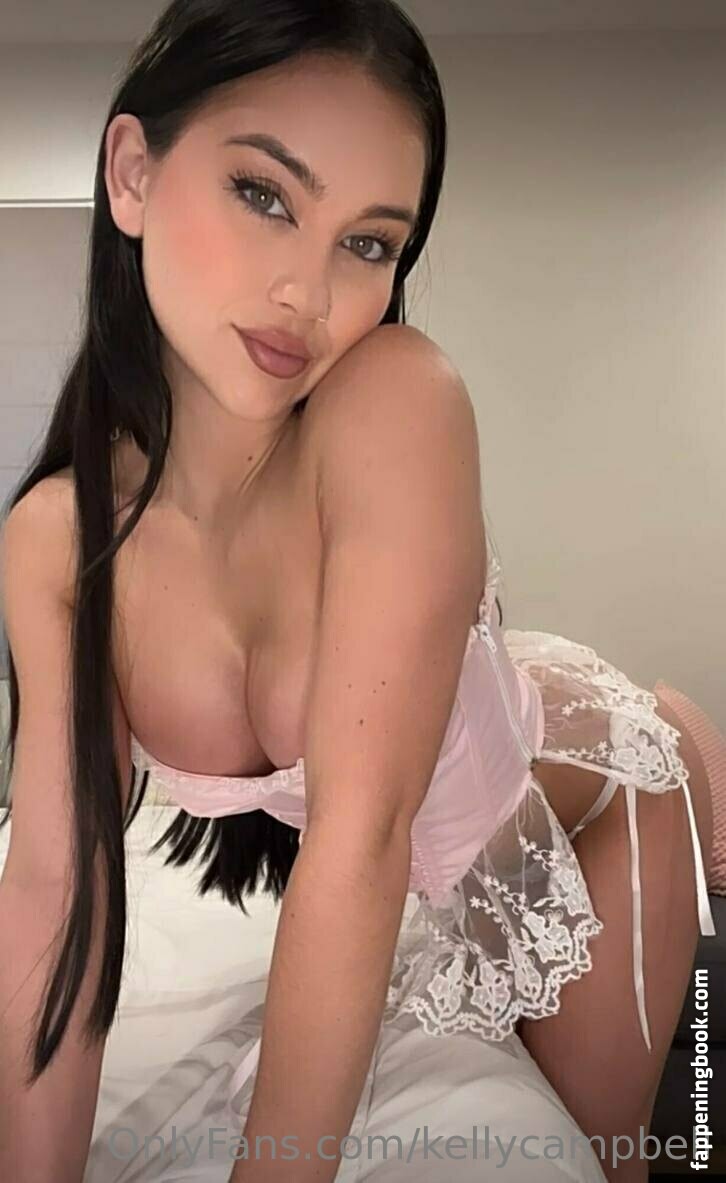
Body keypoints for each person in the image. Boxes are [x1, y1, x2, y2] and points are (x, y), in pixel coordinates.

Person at [0, 1, 715, 1181]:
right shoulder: (56, 544)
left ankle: (682, 733)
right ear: (132, 174)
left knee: (622, 1152)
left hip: (593, 807)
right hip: (444, 780)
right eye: (265, 194)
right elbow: (52, 888)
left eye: (370, 244)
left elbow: (364, 837)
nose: (309, 291)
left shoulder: (397, 401)